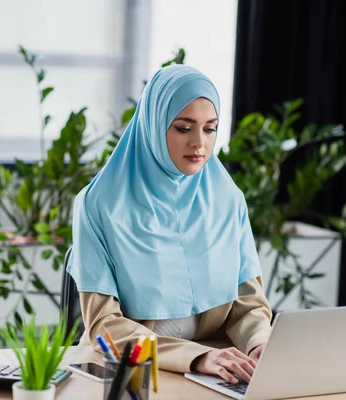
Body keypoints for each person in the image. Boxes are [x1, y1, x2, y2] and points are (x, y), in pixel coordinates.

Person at [67, 65, 272, 384]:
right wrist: (197, 357)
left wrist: (260, 342)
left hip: (217, 371)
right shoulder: (98, 205)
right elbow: (104, 328)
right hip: (135, 373)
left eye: (210, 128)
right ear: (153, 125)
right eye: (183, 128)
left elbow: (247, 303)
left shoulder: (228, 199)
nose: (199, 144)